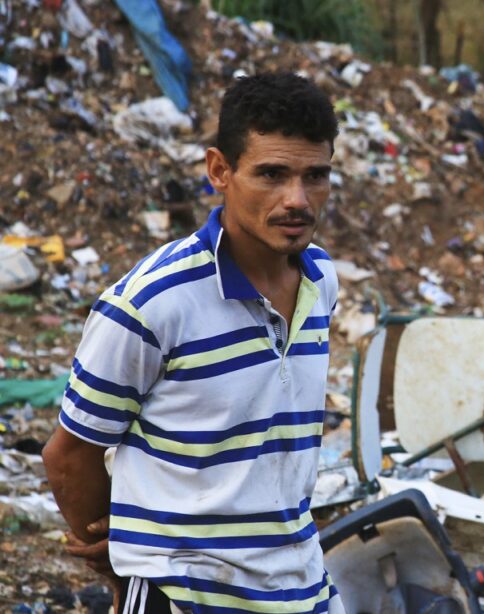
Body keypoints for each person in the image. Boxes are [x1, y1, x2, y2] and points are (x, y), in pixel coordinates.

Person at [42, 72, 345, 614]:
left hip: (303, 590)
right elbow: (70, 455)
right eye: (271, 174)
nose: (297, 199)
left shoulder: (322, 280)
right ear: (219, 171)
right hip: (184, 598)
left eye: (315, 175)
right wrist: (126, 563)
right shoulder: (152, 303)